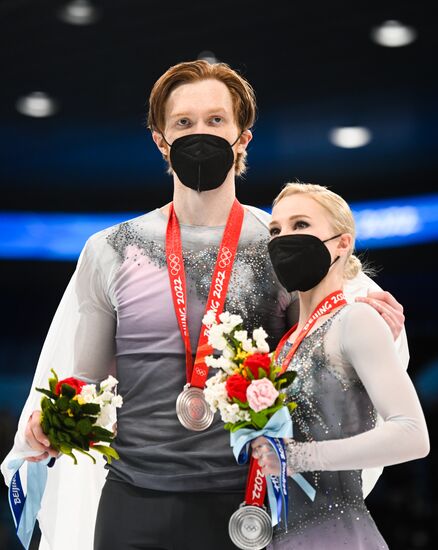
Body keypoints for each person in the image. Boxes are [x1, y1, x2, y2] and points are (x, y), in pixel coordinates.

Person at [2, 61, 408, 550]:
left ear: (243, 138)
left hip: (249, 506)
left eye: (216, 120)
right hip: (132, 504)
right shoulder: (110, 248)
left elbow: (326, 356)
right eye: (183, 122)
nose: (200, 133)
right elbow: (85, 383)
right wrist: (50, 422)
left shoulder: (280, 247)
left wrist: (381, 327)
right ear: (160, 140)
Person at [251, 182, 429, 549]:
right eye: (276, 230)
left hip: (337, 535)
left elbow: (413, 434)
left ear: (342, 243)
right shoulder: (282, 347)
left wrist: (300, 456)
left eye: (300, 225)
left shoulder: (356, 319)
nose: (284, 237)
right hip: (281, 535)